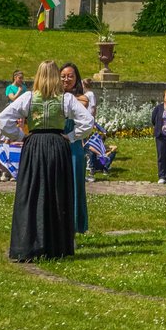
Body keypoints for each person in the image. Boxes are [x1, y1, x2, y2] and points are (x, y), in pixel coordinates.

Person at [0, 60, 94, 262]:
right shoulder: (66, 99)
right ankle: (55, 245)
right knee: (57, 193)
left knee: (32, 192)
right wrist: (72, 136)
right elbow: (88, 122)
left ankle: (28, 243)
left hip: (34, 145)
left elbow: (3, 118)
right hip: (58, 145)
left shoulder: (29, 98)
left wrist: (20, 136)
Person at [59, 63, 90, 235]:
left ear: (76, 78)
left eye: (70, 75)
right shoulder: (56, 96)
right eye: (63, 75)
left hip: (73, 145)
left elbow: (74, 109)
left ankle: (75, 225)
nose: (66, 79)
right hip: (57, 144)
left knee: (76, 185)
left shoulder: (81, 99)